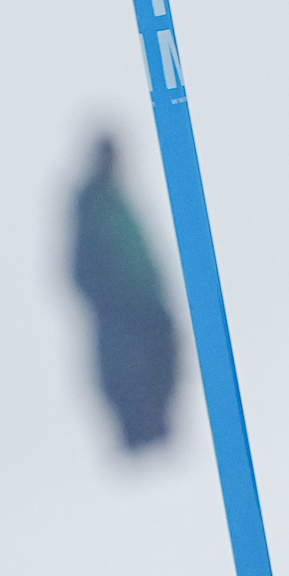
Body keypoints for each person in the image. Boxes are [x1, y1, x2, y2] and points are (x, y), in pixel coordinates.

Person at [70, 133, 180, 451]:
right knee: (134, 378)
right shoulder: (92, 203)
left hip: (145, 305)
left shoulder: (115, 198)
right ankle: (142, 443)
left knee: (161, 365)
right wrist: (118, 300)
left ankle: (160, 440)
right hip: (126, 313)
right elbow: (81, 268)